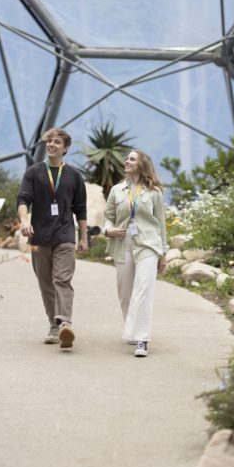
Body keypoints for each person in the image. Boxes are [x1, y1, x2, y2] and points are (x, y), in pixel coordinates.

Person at [17, 127, 88, 349]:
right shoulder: (34, 172)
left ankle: (65, 322)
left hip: (65, 236)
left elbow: (81, 209)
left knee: (62, 279)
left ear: (65, 148)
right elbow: (23, 199)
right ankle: (53, 324)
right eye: (49, 141)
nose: (52, 145)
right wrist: (24, 220)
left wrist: (83, 237)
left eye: (57, 142)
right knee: (45, 283)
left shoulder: (74, 176)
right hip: (39, 237)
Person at [103, 150, 167, 357]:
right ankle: (132, 329)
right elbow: (108, 217)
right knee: (125, 292)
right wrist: (108, 230)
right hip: (123, 243)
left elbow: (161, 225)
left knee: (143, 290)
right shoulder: (117, 190)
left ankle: (142, 338)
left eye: (132, 159)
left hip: (148, 244)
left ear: (142, 164)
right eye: (127, 159)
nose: (127, 161)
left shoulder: (154, 192)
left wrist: (163, 253)